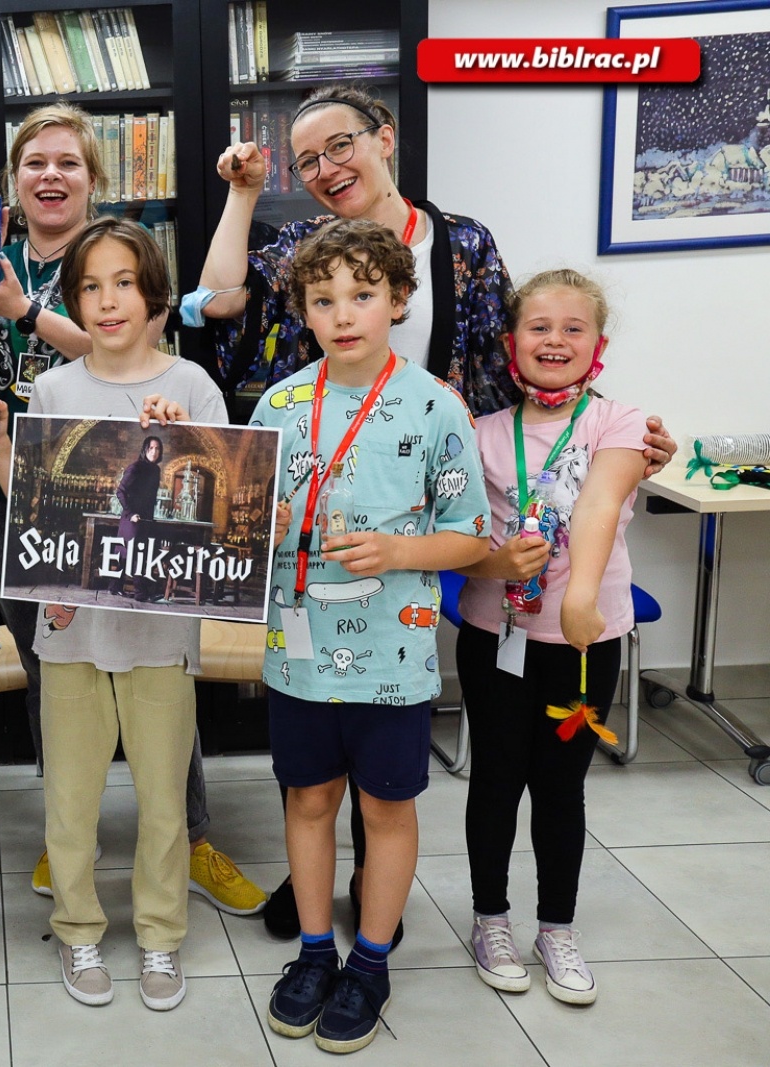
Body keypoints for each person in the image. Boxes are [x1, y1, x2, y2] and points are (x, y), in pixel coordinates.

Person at [192, 82, 677, 939]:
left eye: (339, 145)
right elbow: (219, 307)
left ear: (383, 137)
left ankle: (376, 890)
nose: (324, 168)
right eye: (306, 161)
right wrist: (240, 196)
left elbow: (512, 371)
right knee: (319, 751)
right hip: (322, 519)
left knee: (389, 729)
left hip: (441, 514)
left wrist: (605, 441)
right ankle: (326, 893)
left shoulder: (460, 244)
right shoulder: (306, 246)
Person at [0, 100, 267, 918]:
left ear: (94, 179)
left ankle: (190, 833)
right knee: (51, 662)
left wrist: (23, 309)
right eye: (34, 163)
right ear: (14, 183)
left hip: (138, 494)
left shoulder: (113, 259)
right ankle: (72, 837)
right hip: (25, 494)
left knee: (161, 657)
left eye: (67, 162)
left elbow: (122, 351)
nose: (49, 175)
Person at [0, 217, 221, 1012]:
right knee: (71, 797)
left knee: (163, 799)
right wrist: (4, 448)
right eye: (90, 286)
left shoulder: (192, 386)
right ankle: (78, 928)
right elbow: (39, 508)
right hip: (70, 629)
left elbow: (218, 516)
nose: (108, 301)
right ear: (72, 297)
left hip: (159, 634)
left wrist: (183, 448)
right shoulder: (52, 389)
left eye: (123, 283)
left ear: (153, 294)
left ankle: (159, 936)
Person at [249, 219, 490, 1053]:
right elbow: (247, 524)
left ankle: (373, 958)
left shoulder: (435, 405)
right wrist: (265, 523)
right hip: (299, 651)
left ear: (398, 299)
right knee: (308, 798)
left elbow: (473, 535)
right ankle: (317, 949)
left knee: (387, 807)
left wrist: (398, 550)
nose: (344, 313)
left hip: (396, 656)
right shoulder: (278, 405)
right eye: (324, 299)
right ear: (305, 312)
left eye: (363, 294)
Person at [456, 269, 647, 1006]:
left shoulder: (620, 422)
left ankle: (556, 927)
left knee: (561, 786)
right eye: (539, 327)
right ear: (511, 343)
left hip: (586, 641)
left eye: (574, 328)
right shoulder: (481, 435)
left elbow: (599, 504)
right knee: (497, 781)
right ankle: (490, 919)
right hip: (494, 636)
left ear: (598, 344)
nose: (556, 340)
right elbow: (460, 535)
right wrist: (493, 560)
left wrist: (578, 605)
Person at [109, 436, 163, 600]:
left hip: (145, 518)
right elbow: (120, 492)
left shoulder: (155, 470)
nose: (154, 452)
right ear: (145, 449)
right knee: (134, 554)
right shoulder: (135, 467)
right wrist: (131, 514)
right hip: (131, 519)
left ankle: (114, 587)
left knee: (131, 554)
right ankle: (141, 593)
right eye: (151, 448)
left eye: (157, 449)